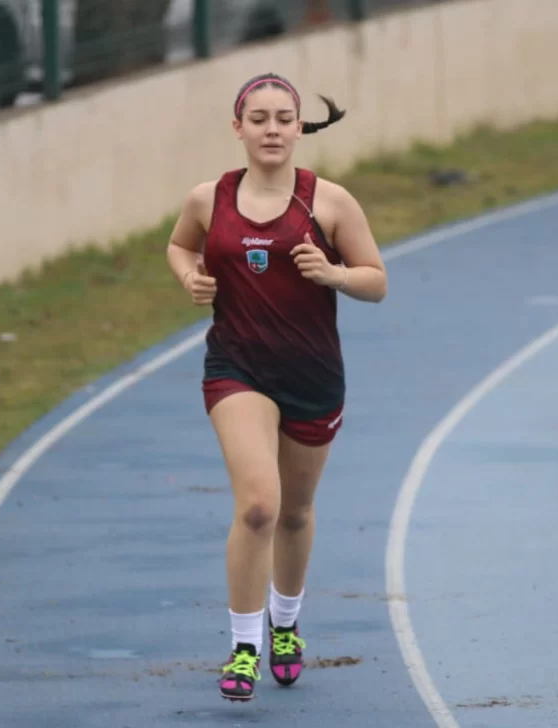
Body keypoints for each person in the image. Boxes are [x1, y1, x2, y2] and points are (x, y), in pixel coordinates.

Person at [166, 72, 387, 702]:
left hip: (314, 375)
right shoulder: (209, 199)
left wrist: (334, 274)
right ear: (238, 127)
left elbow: (377, 280)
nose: (271, 129)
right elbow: (179, 247)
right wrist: (191, 279)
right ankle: (244, 648)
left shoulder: (330, 202)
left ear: (299, 127)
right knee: (259, 504)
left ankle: (285, 625)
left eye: (282, 118)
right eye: (257, 118)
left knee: (293, 512)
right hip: (237, 369)